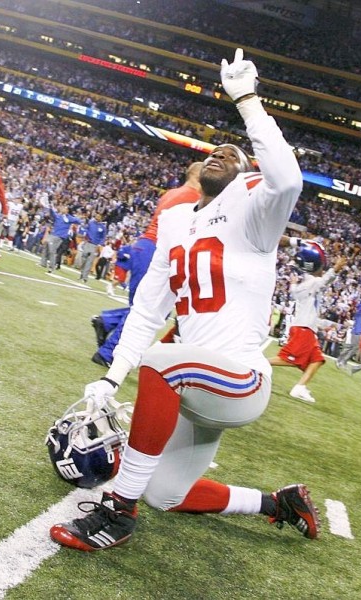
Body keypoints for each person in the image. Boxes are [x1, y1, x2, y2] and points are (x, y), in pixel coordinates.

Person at [50, 49, 318, 552]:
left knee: (162, 362)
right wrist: (111, 377)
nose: (221, 151)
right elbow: (149, 308)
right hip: (197, 385)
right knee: (166, 494)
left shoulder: (256, 210)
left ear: (246, 173)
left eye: (234, 153)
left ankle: (117, 513)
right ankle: (278, 503)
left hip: (239, 379)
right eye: (215, 148)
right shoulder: (176, 220)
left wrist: (246, 99)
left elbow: (287, 178)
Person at [91, 162, 203, 367]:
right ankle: (109, 352)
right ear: (199, 176)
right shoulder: (193, 198)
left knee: (150, 308)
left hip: (147, 246)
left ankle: (108, 321)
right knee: (146, 310)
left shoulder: (173, 193)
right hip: (157, 249)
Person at [269, 237, 347, 403]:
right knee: (287, 359)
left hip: (305, 328)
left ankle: (300, 388)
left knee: (318, 360)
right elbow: (324, 281)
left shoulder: (305, 282)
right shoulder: (311, 282)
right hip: (303, 329)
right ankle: (255, 364)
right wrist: (336, 269)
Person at [39, 203, 82, 274]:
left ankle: (51, 267)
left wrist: (76, 218)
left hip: (59, 237)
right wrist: (50, 207)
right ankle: (45, 264)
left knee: (51, 250)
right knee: (48, 247)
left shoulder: (69, 218)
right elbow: (53, 214)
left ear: (67, 210)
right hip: (53, 234)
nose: (62, 208)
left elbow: (79, 221)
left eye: (64, 208)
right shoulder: (59, 216)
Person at [335, 292, 361, 370]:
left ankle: (341, 360)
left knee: (351, 348)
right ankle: (342, 361)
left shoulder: (359, 313)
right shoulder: (359, 313)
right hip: (356, 332)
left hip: (357, 332)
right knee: (352, 348)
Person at [78, 212, 107, 283]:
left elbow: (103, 237)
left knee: (90, 262)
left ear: (101, 218)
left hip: (95, 245)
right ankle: (82, 274)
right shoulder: (91, 223)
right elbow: (85, 229)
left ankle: (85, 277)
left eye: (99, 216)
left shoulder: (103, 227)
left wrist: (99, 245)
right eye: (96, 216)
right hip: (88, 243)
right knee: (83, 259)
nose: (97, 217)